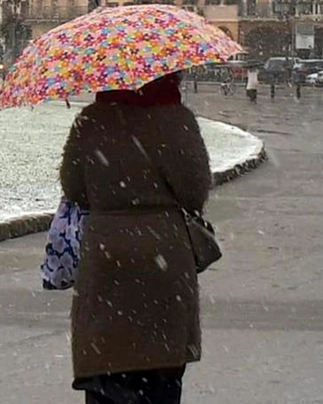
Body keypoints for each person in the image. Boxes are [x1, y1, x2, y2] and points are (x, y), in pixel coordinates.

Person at [59, 73, 212, 404]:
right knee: (162, 365)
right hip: (163, 253)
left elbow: (73, 188)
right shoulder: (176, 119)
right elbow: (194, 192)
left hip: (105, 252)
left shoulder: (91, 120)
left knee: (106, 359)